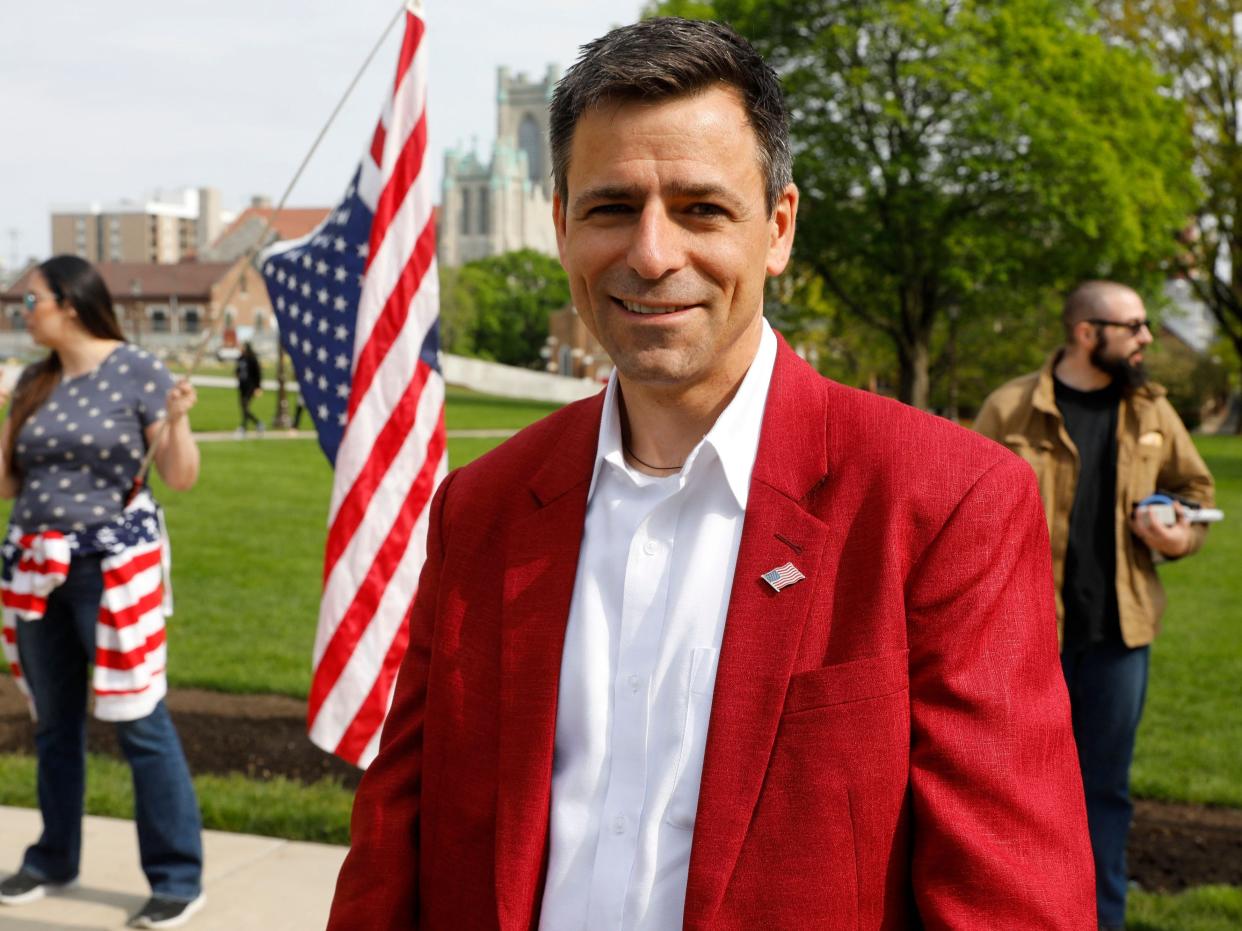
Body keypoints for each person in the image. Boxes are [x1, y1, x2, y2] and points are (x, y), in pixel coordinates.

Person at [328, 18, 1095, 929]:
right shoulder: (483, 505)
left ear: (778, 227)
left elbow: (1011, 903)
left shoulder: (942, 501)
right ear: (561, 222)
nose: (652, 254)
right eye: (611, 207)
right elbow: (393, 851)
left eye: (701, 208)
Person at [975, 281, 1215, 930]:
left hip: (1118, 637)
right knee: (1016, 792)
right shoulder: (1010, 408)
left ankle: (1100, 919)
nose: (1145, 337)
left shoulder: (1152, 410)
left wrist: (1179, 533)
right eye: (1133, 325)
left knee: (1104, 793)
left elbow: (1196, 491)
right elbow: (967, 512)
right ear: (1088, 333)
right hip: (1025, 640)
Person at [0, 256, 206, 929]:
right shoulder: (36, 379)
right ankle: (54, 856)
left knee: (139, 718)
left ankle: (177, 874)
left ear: (70, 302)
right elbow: (9, 484)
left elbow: (179, 477)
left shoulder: (137, 371)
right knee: (54, 721)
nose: (20, 313)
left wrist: (176, 421)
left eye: (29, 301)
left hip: (111, 569)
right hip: (35, 567)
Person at [235, 341, 263, 435]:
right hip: (242, 386)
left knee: (245, 405)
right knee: (243, 407)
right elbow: (238, 370)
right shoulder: (241, 358)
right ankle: (255, 424)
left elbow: (258, 374)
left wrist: (258, 387)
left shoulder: (252, 359)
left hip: (250, 386)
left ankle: (245, 427)